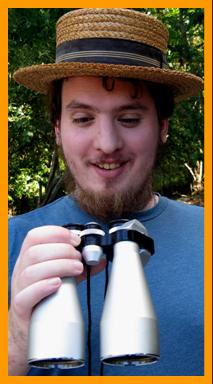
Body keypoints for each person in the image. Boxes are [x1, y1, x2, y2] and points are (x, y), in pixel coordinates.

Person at [8, 8, 204, 376]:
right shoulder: (11, 241)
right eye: (83, 119)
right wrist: (17, 337)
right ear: (57, 129)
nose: (107, 143)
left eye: (129, 119)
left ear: (163, 127)